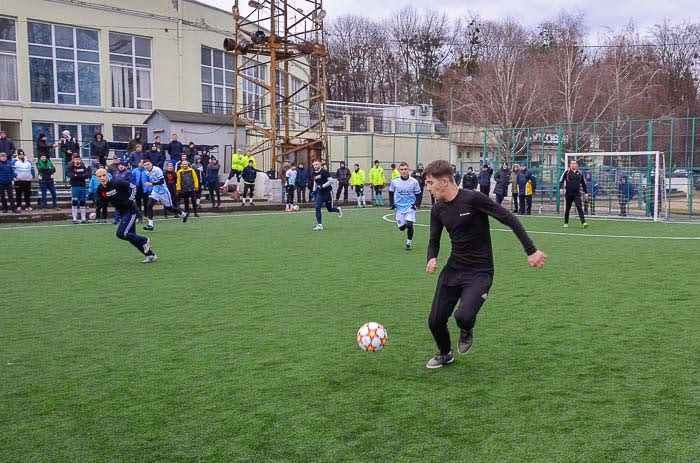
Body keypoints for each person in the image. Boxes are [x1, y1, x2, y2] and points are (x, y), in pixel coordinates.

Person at [423, 160, 547, 369]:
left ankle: (466, 328)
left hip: (479, 272)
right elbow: (433, 240)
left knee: (463, 316)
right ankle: (445, 354)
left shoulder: (473, 199)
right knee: (435, 321)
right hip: (453, 270)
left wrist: (531, 250)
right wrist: (432, 257)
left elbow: (509, 218)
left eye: (429, 183)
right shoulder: (438, 210)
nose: (427, 188)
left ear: (444, 181)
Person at [95, 168, 157, 263]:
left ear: (107, 175)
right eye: (100, 176)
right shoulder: (100, 189)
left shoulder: (117, 183)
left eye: (104, 175)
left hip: (131, 211)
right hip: (122, 213)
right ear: (97, 178)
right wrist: (96, 212)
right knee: (131, 237)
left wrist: (131, 199)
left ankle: (144, 240)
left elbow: (133, 187)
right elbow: (102, 202)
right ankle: (150, 255)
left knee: (121, 233)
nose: (102, 178)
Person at [142, 159, 187, 230]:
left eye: (148, 164)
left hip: (164, 192)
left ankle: (183, 214)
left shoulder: (157, 170)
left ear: (151, 164)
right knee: (149, 205)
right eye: (145, 165)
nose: (147, 166)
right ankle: (150, 225)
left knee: (169, 208)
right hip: (155, 191)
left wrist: (151, 184)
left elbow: (162, 181)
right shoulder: (146, 172)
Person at [390, 162, 421, 251]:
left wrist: (416, 204)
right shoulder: (394, 181)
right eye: (402, 169)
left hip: (410, 206)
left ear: (408, 170)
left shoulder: (414, 181)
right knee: (402, 228)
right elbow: (391, 192)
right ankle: (404, 225)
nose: (404, 171)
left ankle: (408, 243)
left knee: (409, 224)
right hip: (399, 207)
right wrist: (392, 203)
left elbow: (419, 194)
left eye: (405, 169)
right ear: (400, 170)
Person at [311, 159, 342, 231]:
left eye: (317, 164)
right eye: (314, 165)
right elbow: (316, 182)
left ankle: (338, 210)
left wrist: (323, 186)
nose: (315, 166)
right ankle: (319, 225)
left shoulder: (324, 172)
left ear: (320, 164)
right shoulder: (313, 173)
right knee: (317, 207)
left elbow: (331, 181)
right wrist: (313, 190)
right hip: (320, 193)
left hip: (328, 193)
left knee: (330, 209)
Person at [559, 159, 589, 229]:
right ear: (570, 165)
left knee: (579, 206)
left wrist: (586, 193)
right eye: (572, 163)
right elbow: (561, 181)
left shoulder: (580, 173)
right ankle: (566, 222)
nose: (573, 165)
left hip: (576, 193)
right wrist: (561, 188)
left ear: (576, 165)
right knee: (568, 208)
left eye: (574, 163)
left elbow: (583, 183)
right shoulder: (566, 172)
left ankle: (583, 222)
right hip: (569, 193)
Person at [66, 154, 91, 223]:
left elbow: (87, 175)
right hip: (74, 186)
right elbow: (71, 175)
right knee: (75, 202)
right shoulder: (70, 166)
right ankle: (75, 219)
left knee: (83, 202)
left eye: (79, 159)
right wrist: (81, 175)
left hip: (82, 186)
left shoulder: (83, 166)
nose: (78, 161)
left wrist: (77, 175)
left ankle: (83, 219)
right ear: (73, 160)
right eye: (76, 159)